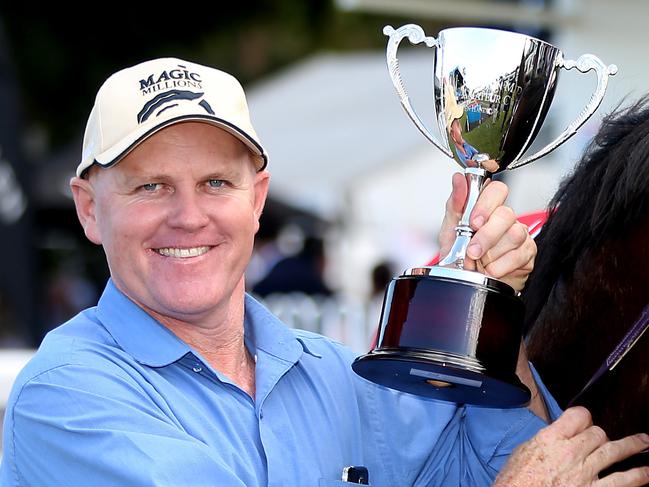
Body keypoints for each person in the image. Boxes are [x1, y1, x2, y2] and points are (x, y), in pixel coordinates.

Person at [1, 58, 647, 487]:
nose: (188, 216)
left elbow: (520, 455)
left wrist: (484, 301)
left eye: (216, 181)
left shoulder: (338, 377)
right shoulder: (65, 397)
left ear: (256, 200)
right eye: (150, 187)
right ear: (89, 207)